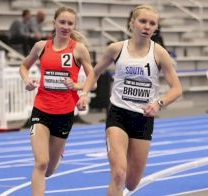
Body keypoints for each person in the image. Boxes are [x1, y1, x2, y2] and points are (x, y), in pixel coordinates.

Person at [77, 4, 182, 195]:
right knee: (118, 174)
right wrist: (84, 93)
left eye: (152, 23)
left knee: (132, 183)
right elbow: (95, 72)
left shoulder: (159, 53)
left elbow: (177, 89)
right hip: (118, 115)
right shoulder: (116, 49)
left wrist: (159, 103)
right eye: (142, 21)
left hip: (143, 119)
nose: (146, 26)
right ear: (132, 23)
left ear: (156, 28)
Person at [19, 6, 94, 195]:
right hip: (41, 110)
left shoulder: (79, 50)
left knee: (50, 170)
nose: (65, 26)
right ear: (54, 23)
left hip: (64, 113)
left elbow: (92, 78)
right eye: (62, 22)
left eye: (70, 23)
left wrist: (80, 90)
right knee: (41, 162)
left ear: (74, 26)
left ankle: (59, 153)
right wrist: (27, 80)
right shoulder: (41, 46)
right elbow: (23, 66)